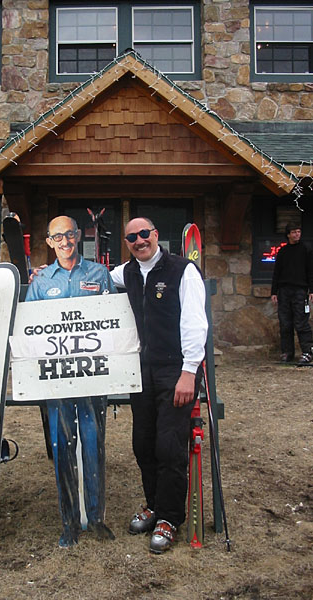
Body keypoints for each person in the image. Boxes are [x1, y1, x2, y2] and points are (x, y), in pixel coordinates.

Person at [109, 217, 208, 553]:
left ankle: (169, 517)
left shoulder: (183, 270)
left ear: (155, 234)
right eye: (132, 237)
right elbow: (96, 277)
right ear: (127, 243)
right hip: (142, 371)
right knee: (143, 443)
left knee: (169, 446)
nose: (139, 240)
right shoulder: (128, 272)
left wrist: (189, 371)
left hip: (175, 370)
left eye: (144, 234)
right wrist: (41, 273)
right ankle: (154, 504)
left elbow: (195, 323)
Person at [25, 215, 116, 548]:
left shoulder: (99, 274)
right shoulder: (40, 281)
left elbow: (113, 320)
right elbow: (30, 329)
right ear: (50, 242)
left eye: (69, 234)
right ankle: (69, 523)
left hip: (92, 376)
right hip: (58, 381)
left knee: (93, 444)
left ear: (78, 236)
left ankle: (96, 517)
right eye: (57, 237)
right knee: (62, 447)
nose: (64, 241)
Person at [271, 223, 313, 365]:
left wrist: (311, 290)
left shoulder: (306, 249)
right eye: (294, 232)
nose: (297, 234)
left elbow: (310, 271)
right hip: (284, 290)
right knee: (285, 323)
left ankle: (307, 352)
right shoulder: (283, 251)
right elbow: (276, 272)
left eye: (299, 232)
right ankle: (287, 352)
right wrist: (274, 291)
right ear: (288, 234)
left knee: (301, 322)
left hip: (300, 290)